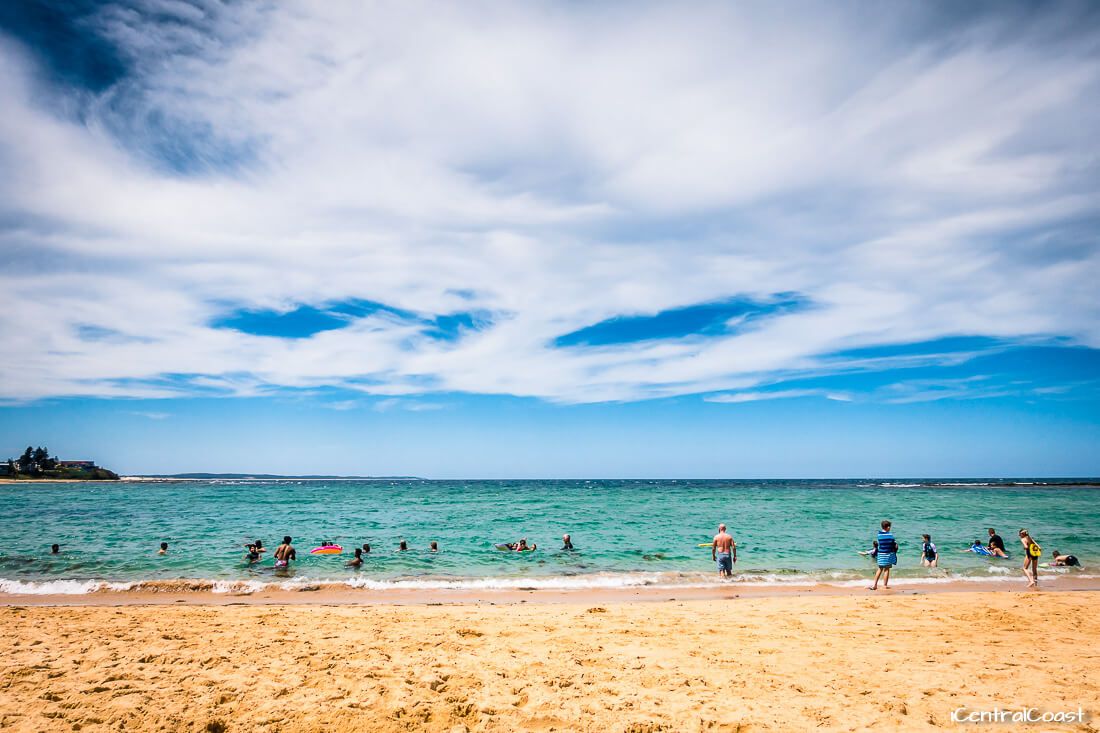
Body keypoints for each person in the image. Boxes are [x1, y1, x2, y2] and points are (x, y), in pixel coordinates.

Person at [869, 520, 897, 590]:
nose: (890, 528)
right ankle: (884, 585)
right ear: (887, 527)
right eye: (889, 527)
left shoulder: (879, 535)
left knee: (879, 569)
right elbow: (893, 544)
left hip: (881, 554)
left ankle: (875, 585)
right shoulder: (890, 535)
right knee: (886, 570)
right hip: (887, 554)